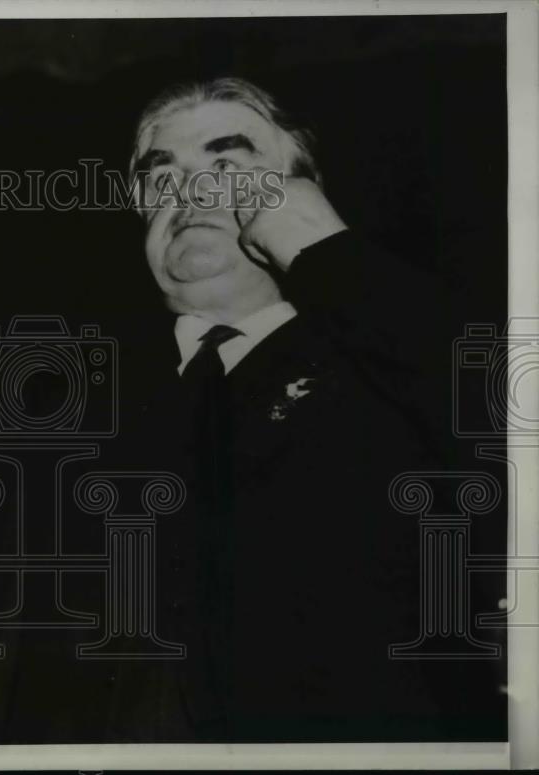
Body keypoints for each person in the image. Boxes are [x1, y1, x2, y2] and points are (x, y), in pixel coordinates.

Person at [105, 78, 504, 742]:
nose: (192, 193)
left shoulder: (392, 361)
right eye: (162, 176)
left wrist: (329, 254)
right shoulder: (93, 412)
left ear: (299, 194)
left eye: (227, 166)